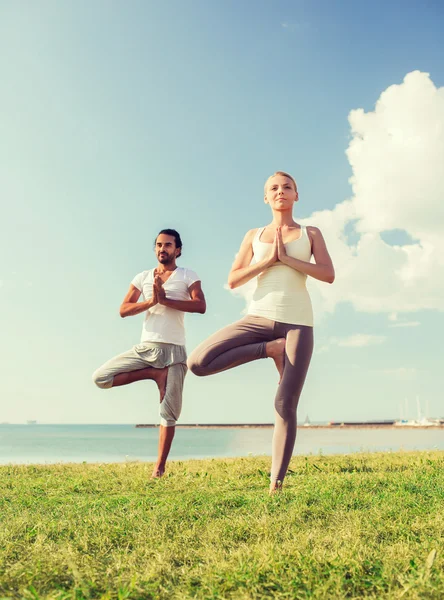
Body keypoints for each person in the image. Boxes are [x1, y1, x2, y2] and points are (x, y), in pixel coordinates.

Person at [187, 172, 334, 493]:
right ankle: (270, 349)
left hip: (298, 323)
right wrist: (268, 260)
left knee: (285, 403)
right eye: (273, 188)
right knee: (198, 362)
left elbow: (328, 274)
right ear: (266, 198)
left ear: (297, 195)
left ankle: (275, 484)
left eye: (287, 187)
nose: (280, 192)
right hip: (258, 318)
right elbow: (234, 278)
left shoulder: (310, 232)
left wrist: (289, 260)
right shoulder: (254, 235)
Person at [92, 228, 206, 478]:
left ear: (178, 250)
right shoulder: (143, 277)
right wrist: (152, 301)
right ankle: (153, 373)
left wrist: (166, 301)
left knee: (169, 414)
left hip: (175, 351)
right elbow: (124, 309)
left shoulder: (188, 275)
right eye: (158, 245)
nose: (162, 249)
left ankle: (159, 468)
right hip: (146, 348)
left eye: (167, 245)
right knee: (101, 378)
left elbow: (200, 305)